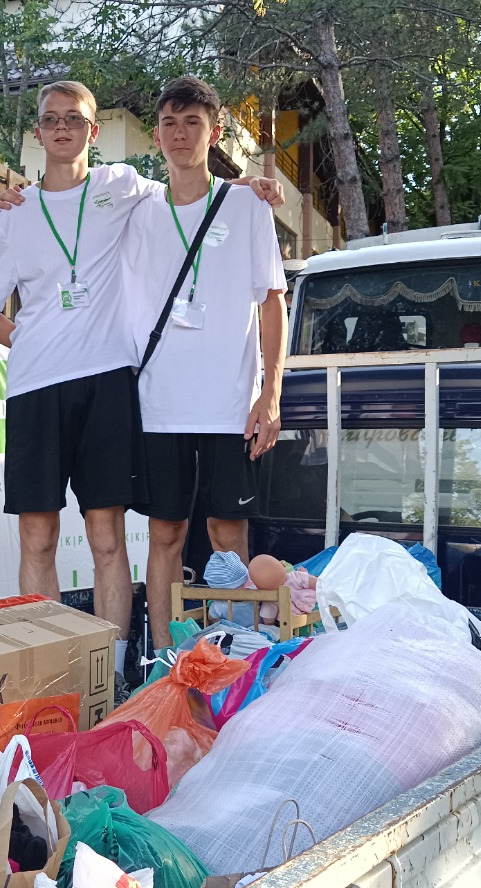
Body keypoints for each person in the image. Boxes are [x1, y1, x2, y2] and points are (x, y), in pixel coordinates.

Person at [0, 81, 284, 701]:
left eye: (75, 120)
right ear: (38, 133)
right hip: (78, 393)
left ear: (92, 131)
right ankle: (69, 670)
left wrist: (252, 188)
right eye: (51, 119)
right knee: (52, 534)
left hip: (129, 386)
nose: (178, 133)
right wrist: (29, 341)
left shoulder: (125, 192)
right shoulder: (34, 213)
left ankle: (145, 670)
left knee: (135, 534)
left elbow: (233, 240)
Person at [122, 76, 288, 656]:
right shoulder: (138, 208)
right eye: (169, 123)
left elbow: (272, 300)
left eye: (192, 123)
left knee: (226, 533)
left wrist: (271, 393)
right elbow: (66, 202)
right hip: (160, 399)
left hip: (227, 400)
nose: (179, 133)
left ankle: (234, 652)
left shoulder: (246, 205)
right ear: (158, 134)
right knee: (165, 531)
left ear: (213, 132)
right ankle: (162, 658)